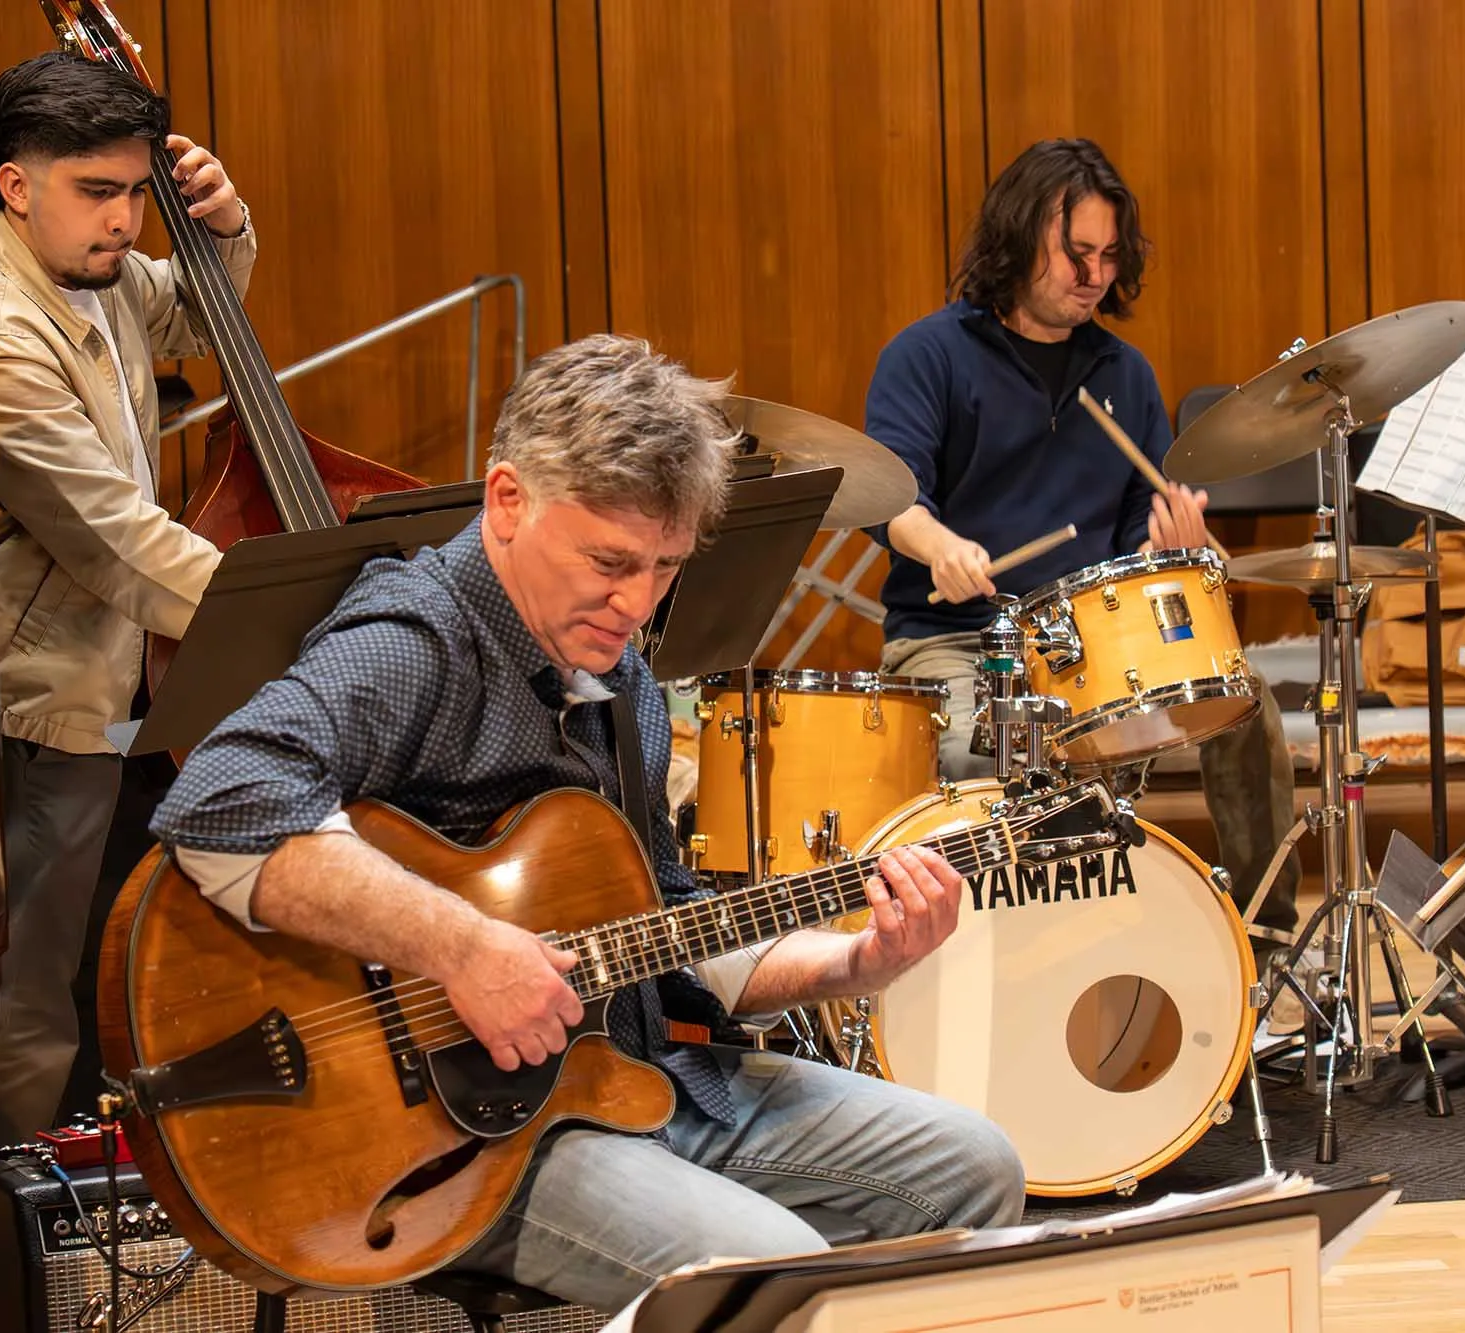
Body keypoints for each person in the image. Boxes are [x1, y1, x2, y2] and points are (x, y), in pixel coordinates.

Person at [149, 333, 1026, 1314]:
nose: (637, 600)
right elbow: (222, 793)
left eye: (663, 565)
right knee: (770, 1276)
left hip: (643, 1079)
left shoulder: (625, 684)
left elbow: (672, 925)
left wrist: (853, 963)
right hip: (474, 1140)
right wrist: (462, 946)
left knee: (972, 1166)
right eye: (609, 561)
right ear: (507, 500)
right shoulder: (415, 637)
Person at [0, 48, 254, 1290]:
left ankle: (10, 1247)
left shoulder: (85, 264)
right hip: (23, 700)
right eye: (99, 191)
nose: (124, 220)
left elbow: (192, 311)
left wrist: (226, 224)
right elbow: (113, 539)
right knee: (16, 1017)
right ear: (14, 184)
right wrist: (284, 611)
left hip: (100, 684)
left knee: (60, 995)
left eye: (138, 194)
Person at [863, 137, 1301, 953]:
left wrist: (1168, 542)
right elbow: (891, 498)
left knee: (1241, 704)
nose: (1094, 274)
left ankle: (1264, 940)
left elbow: (1139, 528)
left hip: (1094, 643)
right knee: (969, 751)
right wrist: (941, 544)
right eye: (1075, 254)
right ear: (1020, 237)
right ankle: (982, 963)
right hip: (957, 640)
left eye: (1107, 256)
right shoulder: (928, 356)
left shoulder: (1124, 373)